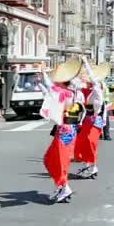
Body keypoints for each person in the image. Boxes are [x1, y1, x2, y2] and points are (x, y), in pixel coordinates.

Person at [39, 59, 85, 203]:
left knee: (59, 160)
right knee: (50, 159)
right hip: (68, 129)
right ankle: (61, 185)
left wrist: (43, 75)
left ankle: (64, 187)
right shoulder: (74, 93)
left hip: (65, 129)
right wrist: (43, 81)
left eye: (57, 81)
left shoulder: (64, 93)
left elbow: (52, 90)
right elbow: (51, 91)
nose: (55, 82)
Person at [75, 57, 106, 178]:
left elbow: (92, 78)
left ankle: (93, 166)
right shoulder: (84, 91)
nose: (87, 82)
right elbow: (75, 83)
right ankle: (87, 164)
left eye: (89, 81)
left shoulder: (97, 91)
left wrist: (86, 63)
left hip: (95, 121)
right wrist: (77, 69)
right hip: (86, 121)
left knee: (90, 142)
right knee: (82, 142)